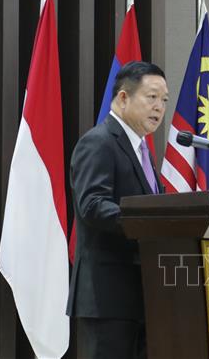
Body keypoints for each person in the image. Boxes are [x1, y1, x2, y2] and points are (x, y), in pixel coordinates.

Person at [67, 61, 168, 359]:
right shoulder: (98, 142)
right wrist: (148, 222)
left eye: (164, 100)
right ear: (123, 98)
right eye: (151, 97)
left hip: (144, 296)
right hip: (107, 298)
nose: (159, 107)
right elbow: (93, 205)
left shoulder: (142, 151)